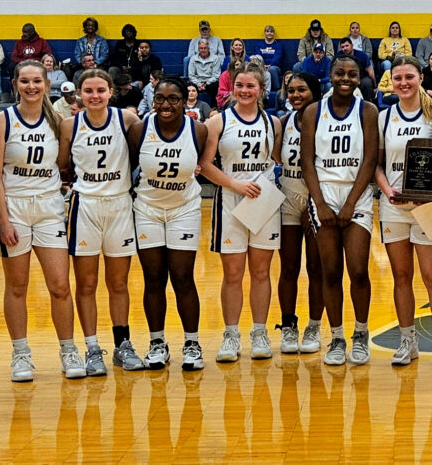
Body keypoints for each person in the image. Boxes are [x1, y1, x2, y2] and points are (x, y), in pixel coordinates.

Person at [0, 60, 82, 382]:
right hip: (13, 208)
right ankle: (21, 354)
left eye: (37, 81)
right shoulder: (2, 121)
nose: (31, 86)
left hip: (49, 208)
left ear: (47, 84)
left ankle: (69, 351)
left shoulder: (59, 121)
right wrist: (3, 220)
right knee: (17, 286)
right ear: (15, 84)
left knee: (59, 286)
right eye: (24, 81)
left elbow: (66, 164)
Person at [58, 69, 144, 376]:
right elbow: (62, 165)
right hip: (86, 207)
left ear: (110, 92)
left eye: (100, 90)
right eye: (89, 90)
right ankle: (93, 349)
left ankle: (123, 345)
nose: (95, 96)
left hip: (121, 204)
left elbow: (144, 154)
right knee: (87, 284)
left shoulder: (128, 120)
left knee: (118, 283)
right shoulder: (70, 124)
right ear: (79, 93)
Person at [374, 55, 432, 368]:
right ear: (391, 82)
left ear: (421, 77)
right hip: (393, 206)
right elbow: (376, 163)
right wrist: (386, 189)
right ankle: (408, 341)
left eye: (409, 77)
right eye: (398, 78)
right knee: (401, 276)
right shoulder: (384, 117)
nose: (404, 83)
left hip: (428, 207)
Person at [299, 54, 379, 366]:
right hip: (324, 195)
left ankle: (360, 334)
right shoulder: (313, 112)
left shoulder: (368, 111)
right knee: (329, 272)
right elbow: (307, 161)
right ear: (330, 76)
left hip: (355, 196)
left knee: (358, 270)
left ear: (360, 79)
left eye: (352, 74)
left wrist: (349, 203)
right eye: (340, 73)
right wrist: (319, 203)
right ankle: (336, 337)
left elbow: (370, 161)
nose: (346, 79)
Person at [199, 61, 281, 362]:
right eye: (240, 85)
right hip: (231, 201)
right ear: (232, 87)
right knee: (233, 274)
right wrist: (235, 184)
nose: (244, 90)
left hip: (263, 203)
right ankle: (230, 335)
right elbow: (205, 165)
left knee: (261, 272)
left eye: (251, 86)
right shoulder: (218, 122)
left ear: (261, 89)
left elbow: (276, 161)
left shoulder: (273, 123)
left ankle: (259, 333)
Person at [126, 77, 208, 370]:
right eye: (160, 98)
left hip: (183, 208)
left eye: (173, 98)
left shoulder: (197, 130)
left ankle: (192, 343)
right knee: (153, 278)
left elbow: (207, 164)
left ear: (185, 101)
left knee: (183, 277)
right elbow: (128, 166)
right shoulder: (139, 129)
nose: (165, 105)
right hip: (147, 208)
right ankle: (157, 343)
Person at [276, 72, 325, 354]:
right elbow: (274, 158)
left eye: (302, 90)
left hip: (316, 201)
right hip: (287, 199)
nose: (295, 95)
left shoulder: (324, 122)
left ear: (315, 92)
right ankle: (288, 325)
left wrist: (314, 202)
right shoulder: (283, 123)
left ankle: (314, 326)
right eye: (291, 91)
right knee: (289, 268)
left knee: (316, 268)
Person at [255, 25, 284, 91]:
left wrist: (270, 65)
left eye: (271, 31)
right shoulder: (259, 45)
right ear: (265, 33)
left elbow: (277, 57)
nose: (269, 33)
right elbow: (258, 56)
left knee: (272, 69)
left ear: (274, 33)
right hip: (262, 66)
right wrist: (263, 66)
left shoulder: (278, 45)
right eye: (267, 31)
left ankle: (277, 90)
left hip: (275, 67)